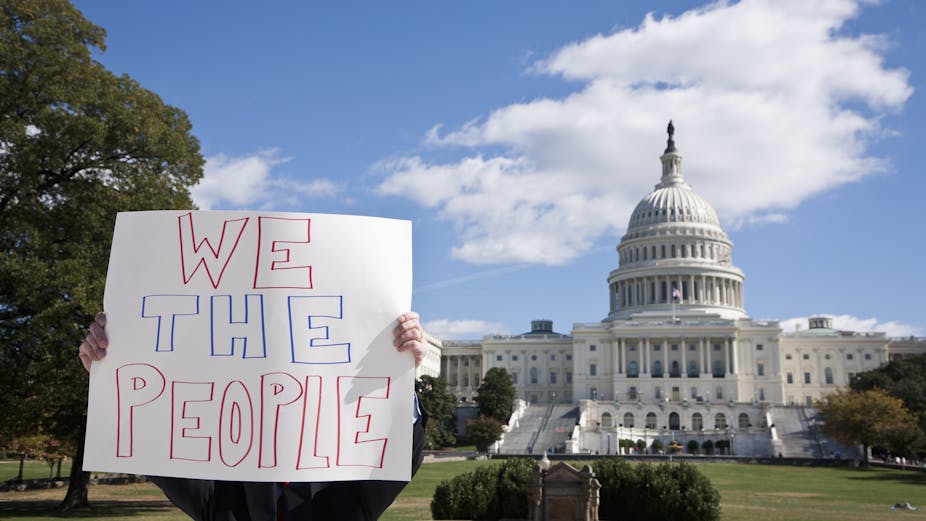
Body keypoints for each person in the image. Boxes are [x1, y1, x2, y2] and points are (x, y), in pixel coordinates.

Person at [79, 311, 428, 521]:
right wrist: (109, 372)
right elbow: (153, 447)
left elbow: (396, 458)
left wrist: (397, 376)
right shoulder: (223, 492)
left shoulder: (347, 491)